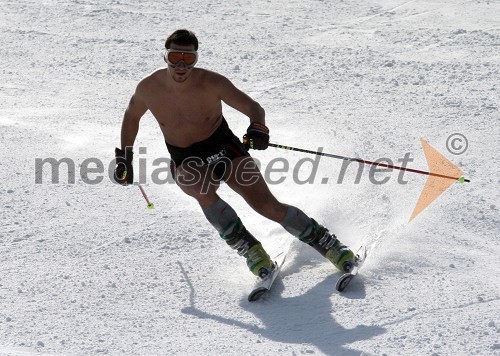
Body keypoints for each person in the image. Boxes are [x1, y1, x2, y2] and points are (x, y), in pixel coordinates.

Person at [114, 29, 355, 278]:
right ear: (165, 57)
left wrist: (258, 129)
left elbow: (253, 107)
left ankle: (328, 244)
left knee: (267, 206)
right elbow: (132, 117)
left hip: (224, 149)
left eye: (189, 59)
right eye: (176, 57)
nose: (181, 66)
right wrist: (125, 158)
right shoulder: (148, 88)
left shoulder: (212, 83)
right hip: (186, 159)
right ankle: (252, 251)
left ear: (196, 59)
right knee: (200, 189)